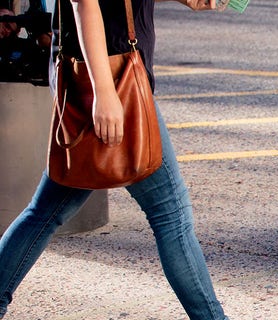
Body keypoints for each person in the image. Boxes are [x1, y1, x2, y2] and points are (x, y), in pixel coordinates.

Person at [0, 0, 230, 319]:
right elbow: (84, 3)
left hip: (105, 75)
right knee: (171, 214)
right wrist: (104, 94)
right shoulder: (106, 89)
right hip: (111, 80)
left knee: (45, 212)